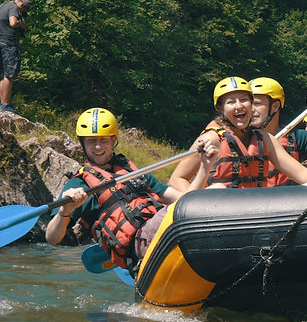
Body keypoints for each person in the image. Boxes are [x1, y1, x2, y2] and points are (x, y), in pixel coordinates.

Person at [45, 108, 213, 270]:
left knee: (196, 207)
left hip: (163, 233)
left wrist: (206, 166)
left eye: (103, 140)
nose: (97, 147)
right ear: (83, 144)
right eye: (91, 141)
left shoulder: (134, 173)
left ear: (113, 141)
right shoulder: (80, 185)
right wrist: (64, 210)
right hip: (138, 248)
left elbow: (184, 201)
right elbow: (52, 238)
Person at [167, 76, 307, 191]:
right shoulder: (212, 138)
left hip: (257, 212)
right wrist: (194, 200)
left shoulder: (266, 140)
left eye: (245, 100)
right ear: (221, 109)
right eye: (231, 102)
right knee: (215, 187)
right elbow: (177, 179)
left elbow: (304, 176)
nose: (240, 106)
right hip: (220, 214)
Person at [0, 0, 29, 113]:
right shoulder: (13, 7)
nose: (21, 14)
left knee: (2, 74)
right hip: (10, 44)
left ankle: (2, 104)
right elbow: (13, 22)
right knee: (9, 74)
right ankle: (6, 104)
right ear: (21, 5)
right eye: (22, 12)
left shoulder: (0, 7)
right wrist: (22, 24)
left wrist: (3, 27)